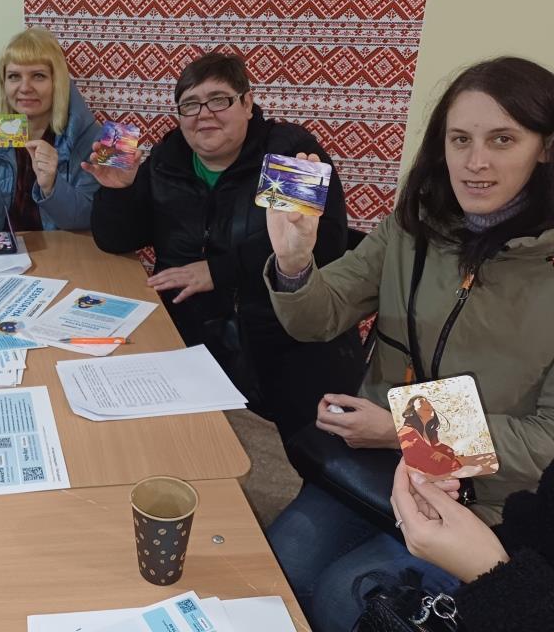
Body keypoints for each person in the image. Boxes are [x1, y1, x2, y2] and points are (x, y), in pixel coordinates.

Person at [264, 57, 554, 631]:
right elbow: (317, 317)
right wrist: (293, 262)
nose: (475, 162)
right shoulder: (414, 227)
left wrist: (403, 429)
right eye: (460, 139)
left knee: (346, 598)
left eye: (502, 139)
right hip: (379, 468)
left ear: (548, 146)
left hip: (488, 504)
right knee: (277, 565)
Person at [87, 51, 363, 441]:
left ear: (247, 103)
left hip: (277, 340)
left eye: (218, 100)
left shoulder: (287, 152)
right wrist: (117, 192)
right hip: (189, 335)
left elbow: (321, 245)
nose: (204, 114)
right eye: (190, 105)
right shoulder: (168, 159)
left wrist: (219, 270)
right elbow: (116, 240)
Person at [378, 411, 554, 630]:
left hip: (507, 587)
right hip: (501, 567)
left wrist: (493, 573)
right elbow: (547, 520)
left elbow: (541, 440)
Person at [0, 27, 100, 231]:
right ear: (3, 83)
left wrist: (52, 186)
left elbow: (87, 218)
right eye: (14, 76)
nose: (25, 87)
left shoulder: (86, 135)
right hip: (4, 247)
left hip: (61, 248)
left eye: (38, 76)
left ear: (57, 82)